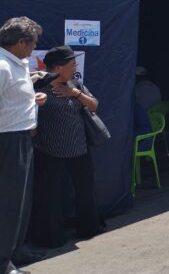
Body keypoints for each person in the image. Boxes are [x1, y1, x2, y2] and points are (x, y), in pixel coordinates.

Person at [28, 46, 103, 248]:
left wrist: (75, 93)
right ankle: (51, 239)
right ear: (58, 68)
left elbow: (94, 106)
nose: (75, 67)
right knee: (50, 196)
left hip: (80, 148)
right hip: (50, 150)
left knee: (85, 191)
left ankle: (88, 228)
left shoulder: (75, 84)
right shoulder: (39, 89)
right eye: (71, 64)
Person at [1, 17, 47, 274]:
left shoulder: (17, 64)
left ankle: (15, 252)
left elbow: (11, 99)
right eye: (33, 43)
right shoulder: (2, 66)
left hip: (22, 138)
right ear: (20, 42)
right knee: (8, 203)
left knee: (21, 201)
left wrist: (33, 99)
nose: (34, 48)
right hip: (8, 140)